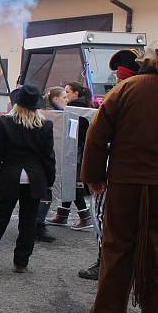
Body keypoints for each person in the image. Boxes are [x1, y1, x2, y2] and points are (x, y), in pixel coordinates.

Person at [81, 45, 158, 313]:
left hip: (125, 183)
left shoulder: (123, 91)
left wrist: (94, 176)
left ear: (145, 64)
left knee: (118, 245)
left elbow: (96, 136)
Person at [0, 85, 55, 273]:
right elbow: (48, 157)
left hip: (10, 176)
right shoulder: (46, 125)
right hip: (35, 177)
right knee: (29, 221)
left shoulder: (5, 122)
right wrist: (49, 181)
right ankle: (21, 262)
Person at [77, 49, 141, 281]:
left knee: (104, 216)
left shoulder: (119, 98)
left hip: (117, 171)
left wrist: (94, 176)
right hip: (152, 174)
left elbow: (98, 141)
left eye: (118, 77)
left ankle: (106, 261)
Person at [46, 82, 93, 230]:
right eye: (64, 95)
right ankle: (62, 215)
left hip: (75, 151)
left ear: (76, 94)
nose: (66, 97)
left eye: (67, 93)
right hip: (78, 150)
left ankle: (85, 218)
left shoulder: (75, 108)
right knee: (70, 182)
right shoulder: (80, 106)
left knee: (72, 184)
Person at [35, 87, 68, 243]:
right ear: (55, 99)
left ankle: (35, 224)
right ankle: (37, 225)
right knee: (45, 193)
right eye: (64, 97)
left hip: (38, 162)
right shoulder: (51, 117)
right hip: (40, 162)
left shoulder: (52, 115)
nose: (67, 100)